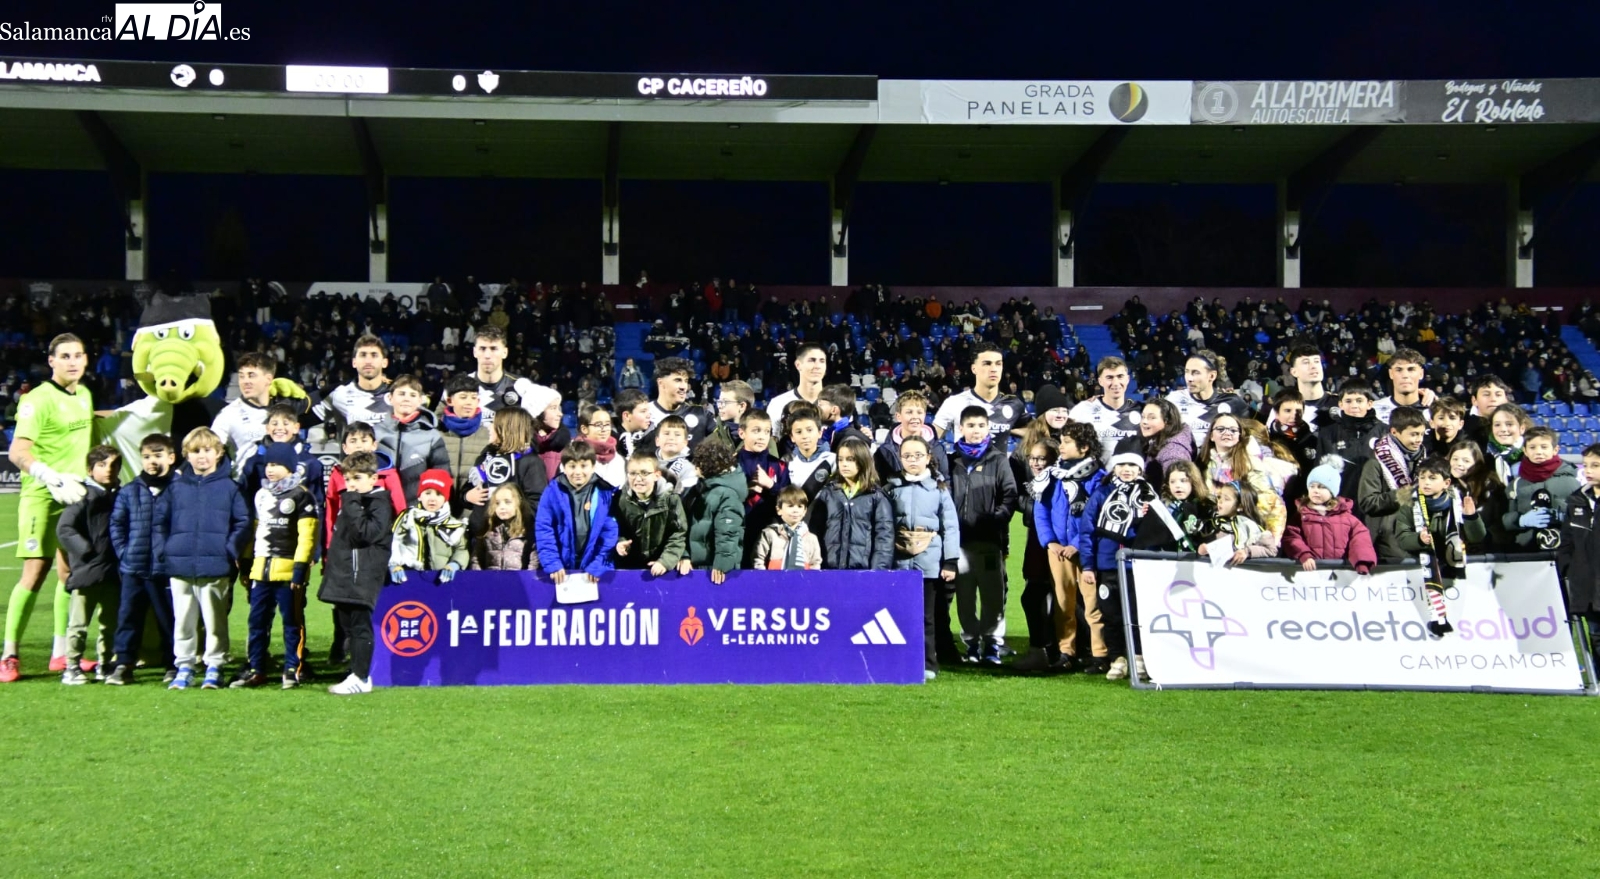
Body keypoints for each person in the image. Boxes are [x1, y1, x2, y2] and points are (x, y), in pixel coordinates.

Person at [2, 333, 93, 682]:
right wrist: (51, 478)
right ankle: (9, 653)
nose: (72, 361)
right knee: (35, 573)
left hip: (74, 496)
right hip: (42, 495)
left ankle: (61, 653)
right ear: (51, 361)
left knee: (68, 574)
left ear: (85, 360)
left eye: (78, 355)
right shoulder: (36, 400)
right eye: (65, 356)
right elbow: (18, 452)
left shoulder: (84, 395)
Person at [153, 427, 249, 691]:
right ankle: (184, 665)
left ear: (218, 453)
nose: (202, 456)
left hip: (215, 564)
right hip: (180, 564)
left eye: (207, 450)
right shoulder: (176, 487)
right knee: (183, 619)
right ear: (187, 454)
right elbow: (160, 520)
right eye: (196, 451)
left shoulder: (229, 487)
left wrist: (228, 550)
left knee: (214, 619)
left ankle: (215, 665)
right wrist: (165, 549)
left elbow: (242, 522)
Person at [1024, 422, 1106, 673]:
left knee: (1092, 604)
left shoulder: (1099, 478)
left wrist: (1076, 545)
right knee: (1063, 604)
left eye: (1067, 442)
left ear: (1084, 447)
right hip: (1057, 551)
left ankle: (1100, 654)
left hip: (1087, 550)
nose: (1061, 446)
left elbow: (1097, 514)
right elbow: (1042, 510)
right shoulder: (1053, 475)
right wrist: (1050, 542)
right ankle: (1066, 652)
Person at [236, 442, 317, 689]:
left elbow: (307, 536)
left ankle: (292, 669)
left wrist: (299, 569)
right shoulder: (262, 495)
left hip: (288, 571)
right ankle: (256, 668)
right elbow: (256, 532)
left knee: (292, 622)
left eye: (276, 464)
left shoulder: (303, 496)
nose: (270, 469)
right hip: (261, 570)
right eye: (268, 464)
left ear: (290, 467)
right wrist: (247, 565)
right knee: (257, 622)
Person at [319, 451, 397, 696]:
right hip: (345, 574)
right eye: (348, 479)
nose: (351, 485)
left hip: (361, 575)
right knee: (348, 626)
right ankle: (354, 672)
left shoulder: (379, 503)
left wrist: (351, 500)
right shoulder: (353, 502)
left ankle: (362, 677)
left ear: (373, 478)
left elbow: (365, 533)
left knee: (360, 626)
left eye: (357, 478)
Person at [884, 435, 960, 680]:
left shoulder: (939, 488)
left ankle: (928, 663)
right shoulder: (891, 488)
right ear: (900, 458)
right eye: (907, 456)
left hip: (928, 561)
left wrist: (950, 561)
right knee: (898, 613)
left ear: (928, 457)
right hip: (898, 559)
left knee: (927, 616)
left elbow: (950, 526)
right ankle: (898, 660)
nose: (913, 460)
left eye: (918, 455)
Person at [1082, 444, 1160, 681]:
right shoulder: (1101, 494)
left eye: (1133, 465)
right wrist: (1088, 565)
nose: (1127, 470)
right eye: (1122, 464)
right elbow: (1087, 531)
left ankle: (1138, 657)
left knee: (1137, 613)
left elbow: (1156, 532)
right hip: (1107, 566)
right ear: (1114, 467)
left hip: (1136, 566)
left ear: (1140, 469)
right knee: (1111, 614)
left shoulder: (1149, 495)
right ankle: (1118, 658)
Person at [948, 406, 1019, 665]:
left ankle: (992, 645)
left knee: (992, 596)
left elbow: (1009, 496)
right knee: (965, 597)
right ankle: (971, 645)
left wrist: (994, 521)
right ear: (962, 429)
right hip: (960, 544)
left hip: (989, 542)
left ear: (988, 428)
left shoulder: (998, 459)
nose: (976, 431)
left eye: (980, 426)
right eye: (971, 426)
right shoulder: (951, 459)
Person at [105, 434, 177, 686]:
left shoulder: (179, 489)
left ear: (171, 457)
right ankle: (124, 664)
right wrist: (125, 552)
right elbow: (117, 524)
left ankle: (173, 663)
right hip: (134, 568)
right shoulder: (130, 490)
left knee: (168, 619)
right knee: (128, 618)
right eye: (147, 457)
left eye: (158, 456)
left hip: (165, 569)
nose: (152, 462)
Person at [1397, 457, 1488, 636]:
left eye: (1432, 478)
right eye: (1422, 478)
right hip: (1422, 568)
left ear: (1446, 482)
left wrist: (1471, 517)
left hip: (1452, 568)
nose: (1425, 482)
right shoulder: (1409, 503)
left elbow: (1477, 537)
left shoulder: (1458, 502)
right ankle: (1437, 620)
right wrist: (1418, 539)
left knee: (1458, 615)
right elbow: (1402, 537)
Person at [55, 445, 122, 684]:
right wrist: (86, 552)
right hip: (88, 571)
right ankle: (71, 666)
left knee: (110, 623)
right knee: (79, 623)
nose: (109, 470)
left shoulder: (119, 495)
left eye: (114, 465)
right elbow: (64, 529)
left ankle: (105, 663)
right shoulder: (81, 496)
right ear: (90, 469)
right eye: (102, 465)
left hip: (114, 571)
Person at [535, 441, 620, 584]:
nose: (578, 472)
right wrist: (553, 563)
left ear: (593, 466)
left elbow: (610, 533)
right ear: (563, 467)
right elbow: (544, 529)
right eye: (572, 466)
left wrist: (599, 565)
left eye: (583, 465)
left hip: (595, 572)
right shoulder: (552, 492)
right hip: (560, 571)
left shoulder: (605, 493)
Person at [1356, 406, 1430, 563]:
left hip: (1422, 541)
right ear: (1395, 432)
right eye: (1414, 434)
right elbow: (1368, 503)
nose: (1419, 440)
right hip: (1389, 545)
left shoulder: (1427, 462)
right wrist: (1402, 495)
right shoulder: (1375, 463)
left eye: (1422, 434)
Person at [1282, 458, 1378, 575]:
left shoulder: (1346, 517)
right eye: (1312, 486)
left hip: (1340, 575)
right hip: (1310, 574)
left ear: (1332, 491)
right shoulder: (1301, 516)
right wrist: (1304, 555)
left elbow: (1360, 538)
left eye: (1321, 487)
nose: (1315, 490)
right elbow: (1291, 537)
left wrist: (1361, 561)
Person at [211, 351, 297, 476]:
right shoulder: (228, 414)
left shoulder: (286, 408)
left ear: (268, 379)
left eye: (251, 375)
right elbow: (210, 449)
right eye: (241, 376)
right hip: (246, 488)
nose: (245, 381)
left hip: (285, 489)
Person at [464, 406, 547, 533]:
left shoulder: (530, 462)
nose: (489, 428)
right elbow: (468, 488)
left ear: (507, 430)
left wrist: (508, 509)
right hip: (480, 536)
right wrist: (467, 496)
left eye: (494, 424)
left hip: (512, 540)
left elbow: (537, 505)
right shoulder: (485, 456)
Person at [816, 437, 894, 571]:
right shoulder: (828, 494)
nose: (844, 464)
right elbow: (816, 532)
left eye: (850, 459)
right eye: (840, 459)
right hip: (829, 571)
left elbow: (884, 538)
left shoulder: (876, 496)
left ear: (863, 461)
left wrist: (878, 573)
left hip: (863, 573)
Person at [375, 375, 450, 505]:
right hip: (379, 511)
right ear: (390, 398)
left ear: (420, 400)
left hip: (416, 512)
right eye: (401, 394)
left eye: (412, 395)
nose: (406, 399)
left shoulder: (432, 436)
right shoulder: (375, 432)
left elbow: (441, 479)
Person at [1503, 426, 1580, 552]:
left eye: (1544, 447)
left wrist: (1564, 516)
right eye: (1532, 447)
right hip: (1527, 552)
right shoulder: (1516, 485)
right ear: (1525, 451)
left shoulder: (1572, 482)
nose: (1538, 452)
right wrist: (1521, 520)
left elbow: (1585, 516)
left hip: (1567, 550)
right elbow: (1505, 519)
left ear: (1555, 450)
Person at [1557, 443, 1600, 673]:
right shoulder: (1577, 500)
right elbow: (1567, 541)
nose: (1589, 470)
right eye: (1586, 465)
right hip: (1586, 581)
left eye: (1596, 465)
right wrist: (1568, 569)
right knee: (1594, 632)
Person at [932, 342, 1030, 440]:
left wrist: (1008, 430)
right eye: (987, 364)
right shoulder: (954, 402)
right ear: (974, 369)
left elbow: (1034, 434)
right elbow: (931, 441)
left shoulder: (1013, 403)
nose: (994, 369)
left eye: (998, 364)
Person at [682, 436, 747, 585]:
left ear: (707, 464)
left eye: (698, 461)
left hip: (716, 572)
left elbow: (728, 532)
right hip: (698, 567)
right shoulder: (700, 489)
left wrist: (722, 565)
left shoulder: (727, 494)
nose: (694, 466)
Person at [467, 324, 560, 426]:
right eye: (482, 349)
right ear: (474, 352)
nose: (487, 355)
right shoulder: (459, 387)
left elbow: (552, 408)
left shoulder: (522, 387)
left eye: (493, 349)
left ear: (505, 352)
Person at [612, 453, 689, 576]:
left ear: (656, 475)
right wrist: (620, 543)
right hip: (630, 568)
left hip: (661, 567)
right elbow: (616, 530)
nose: (638, 479)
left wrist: (665, 561)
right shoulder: (620, 499)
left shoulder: (671, 499)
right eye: (632, 473)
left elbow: (678, 534)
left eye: (644, 473)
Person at [237, 402, 326, 506]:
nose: (279, 428)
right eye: (274, 423)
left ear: (296, 428)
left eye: (285, 423)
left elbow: (317, 503)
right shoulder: (254, 463)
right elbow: (245, 500)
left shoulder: (311, 464)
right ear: (267, 428)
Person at [389, 469, 470, 583]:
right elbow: (394, 544)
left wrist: (454, 564)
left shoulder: (454, 525)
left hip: (440, 580)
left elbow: (462, 549)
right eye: (427, 493)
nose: (432, 499)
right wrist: (394, 565)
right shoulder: (407, 520)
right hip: (409, 578)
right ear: (420, 496)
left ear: (445, 498)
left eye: (438, 494)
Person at [308, 334, 393, 435]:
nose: (368, 361)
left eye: (374, 355)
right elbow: (303, 420)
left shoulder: (399, 394)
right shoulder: (339, 394)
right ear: (354, 362)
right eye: (363, 355)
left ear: (385, 362)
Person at [1315, 379, 1387, 497]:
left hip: (1376, 501)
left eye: (1359, 401)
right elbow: (1319, 470)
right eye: (1348, 401)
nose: (1354, 405)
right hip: (1341, 500)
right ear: (1340, 404)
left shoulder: (1384, 431)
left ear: (1369, 404)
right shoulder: (1328, 432)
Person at [736, 410, 789, 563]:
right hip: (737, 534)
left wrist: (770, 484)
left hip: (770, 535)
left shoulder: (779, 466)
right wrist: (746, 490)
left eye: (766, 432)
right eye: (756, 431)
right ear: (742, 433)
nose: (762, 436)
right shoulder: (731, 465)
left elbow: (789, 501)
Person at [1166, 350, 1248, 449]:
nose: (1189, 378)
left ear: (1212, 376)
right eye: (1186, 372)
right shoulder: (1173, 400)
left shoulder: (1232, 402)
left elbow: (1249, 439)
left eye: (1195, 373)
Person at [1069, 356, 1142, 466]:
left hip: (1132, 479)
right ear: (1100, 381)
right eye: (1109, 377)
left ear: (1127, 379)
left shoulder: (1142, 412)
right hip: (1096, 480)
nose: (1116, 382)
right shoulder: (1082, 410)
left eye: (1120, 376)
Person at [1132, 461, 1215, 554]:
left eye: (1183, 481)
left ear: (1193, 481)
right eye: (1172, 482)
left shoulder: (1205, 507)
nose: (1177, 485)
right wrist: (1144, 515)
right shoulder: (1162, 509)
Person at [874, 390, 951, 483]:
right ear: (898, 416)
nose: (915, 416)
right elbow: (879, 485)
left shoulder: (937, 448)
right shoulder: (884, 452)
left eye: (919, 412)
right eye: (909, 412)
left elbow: (945, 481)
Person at [1447, 440, 1512, 551]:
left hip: (1489, 549)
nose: (1459, 463)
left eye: (1466, 461)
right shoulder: (1447, 486)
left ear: (1477, 464)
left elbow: (1491, 524)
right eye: (1455, 459)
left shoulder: (1490, 486)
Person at [438, 373, 494, 499]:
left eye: (473, 398)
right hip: (440, 508)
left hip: (473, 511)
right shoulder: (437, 433)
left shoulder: (488, 434)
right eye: (463, 397)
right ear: (449, 401)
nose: (469, 402)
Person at [1200, 480, 1279, 565]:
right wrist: (1204, 550)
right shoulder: (1214, 523)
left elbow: (1271, 550)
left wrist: (1246, 551)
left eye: (1226, 499)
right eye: (1219, 497)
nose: (1220, 501)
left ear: (1240, 506)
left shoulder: (1248, 526)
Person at [645, 357, 714, 447]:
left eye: (686, 381)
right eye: (678, 380)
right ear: (661, 383)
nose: (684, 387)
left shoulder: (701, 414)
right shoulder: (645, 414)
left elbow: (725, 443)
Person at [753, 486, 823, 570]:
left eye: (800, 506)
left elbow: (815, 564)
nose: (795, 510)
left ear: (805, 511)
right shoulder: (770, 534)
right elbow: (758, 560)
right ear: (779, 510)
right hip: (773, 581)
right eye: (790, 506)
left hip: (802, 581)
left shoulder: (811, 538)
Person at [469, 484, 536, 571]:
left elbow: (534, 561)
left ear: (519, 503)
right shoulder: (487, 531)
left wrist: (528, 579)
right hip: (492, 581)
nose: (502, 507)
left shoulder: (528, 532)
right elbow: (476, 558)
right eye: (497, 503)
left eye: (507, 502)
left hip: (519, 582)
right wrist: (480, 578)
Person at [766, 342, 828, 425]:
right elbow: (774, 438)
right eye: (811, 361)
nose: (817, 366)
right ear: (798, 365)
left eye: (822, 361)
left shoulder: (838, 402)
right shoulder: (778, 404)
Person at [783, 403, 836, 500]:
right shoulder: (787, 461)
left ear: (820, 433)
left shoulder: (833, 460)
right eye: (799, 432)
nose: (805, 436)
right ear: (792, 437)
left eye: (809, 430)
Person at [1137, 398, 1195, 485]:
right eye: (1143, 417)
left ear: (1167, 422)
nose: (1144, 422)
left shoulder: (1173, 452)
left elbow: (1177, 489)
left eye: (1152, 417)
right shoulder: (1156, 441)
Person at [1373, 348, 1437, 424]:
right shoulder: (1375, 409)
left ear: (1421, 374)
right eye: (1399, 370)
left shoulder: (1436, 410)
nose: (1405, 375)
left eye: (1411, 369)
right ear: (1391, 374)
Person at [576, 403, 623, 488]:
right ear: (584, 429)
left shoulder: (618, 459)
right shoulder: (573, 454)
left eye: (607, 424)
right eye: (598, 425)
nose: (604, 429)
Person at [654, 414, 698, 495]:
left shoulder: (688, 469)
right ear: (657, 441)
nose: (671, 438)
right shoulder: (646, 461)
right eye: (666, 433)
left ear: (685, 442)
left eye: (677, 435)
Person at [613, 388, 654, 459]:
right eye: (643, 411)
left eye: (648, 411)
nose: (649, 415)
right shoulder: (611, 439)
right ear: (627, 415)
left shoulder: (653, 435)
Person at [712, 380, 755, 447]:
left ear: (742, 406)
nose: (719, 406)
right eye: (719, 401)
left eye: (725, 402)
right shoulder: (713, 434)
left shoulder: (761, 437)